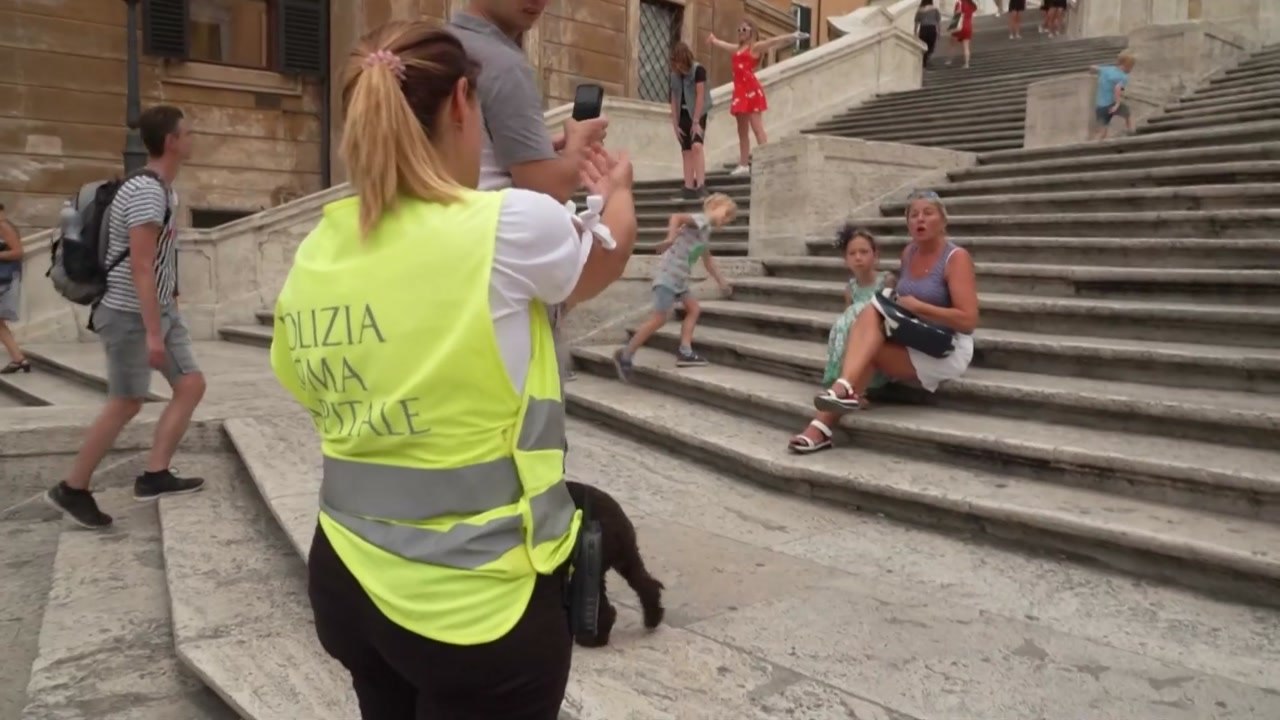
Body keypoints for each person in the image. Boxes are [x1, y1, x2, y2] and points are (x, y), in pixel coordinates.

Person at [270, 22, 636, 719]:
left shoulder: (319, 244)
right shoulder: (507, 226)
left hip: (345, 578)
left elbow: (299, 377)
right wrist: (616, 188)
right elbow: (602, 260)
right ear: (464, 103)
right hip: (475, 607)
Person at [44, 106, 205, 529]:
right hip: (129, 312)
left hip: (158, 309)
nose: (193, 139)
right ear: (171, 141)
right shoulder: (147, 192)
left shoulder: (162, 189)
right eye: (188, 133)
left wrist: (170, 303)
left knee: (190, 384)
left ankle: (155, 475)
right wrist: (153, 333)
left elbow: (159, 260)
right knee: (127, 401)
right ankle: (72, 488)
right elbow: (140, 265)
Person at [450, 0, 612, 384]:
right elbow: (546, 187)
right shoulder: (503, 64)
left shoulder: (432, 46)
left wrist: (538, 152)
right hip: (499, 265)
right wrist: (582, 155)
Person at [799, 192, 978, 442]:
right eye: (913, 215)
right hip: (914, 334)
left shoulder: (956, 258)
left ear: (943, 221)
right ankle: (832, 409)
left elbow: (968, 321)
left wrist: (920, 307)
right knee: (871, 314)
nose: (920, 219)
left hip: (946, 347)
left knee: (870, 322)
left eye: (928, 213)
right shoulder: (909, 253)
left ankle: (830, 408)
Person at [789, 226, 895, 453]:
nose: (858, 257)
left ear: (875, 255)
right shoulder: (850, 287)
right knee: (845, 325)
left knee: (859, 322)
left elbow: (889, 312)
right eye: (852, 253)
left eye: (864, 252)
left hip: (877, 336)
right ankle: (845, 386)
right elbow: (848, 315)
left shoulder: (886, 280)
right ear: (845, 259)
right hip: (856, 335)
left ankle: (858, 390)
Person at [612, 193, 736, 379]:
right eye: (726, 214)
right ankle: (625, 354)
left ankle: (685, 351)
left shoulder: (705, 230)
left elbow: (707, 259)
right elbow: (676, 217)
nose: (725, 221)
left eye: (729, 220)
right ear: (715, 206)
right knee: (659, 319)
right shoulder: (700, 219)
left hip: (679, 280)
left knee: (693, 309)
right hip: (669, 277)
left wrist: (722, 282)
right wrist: (670, 238)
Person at [708, 22, 807, 177]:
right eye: (739, 29)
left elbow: (773, 42)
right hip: (740, 92)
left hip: (751, 90)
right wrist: (714, 40)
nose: (741, 32)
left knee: (757, 128)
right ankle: (743, 164)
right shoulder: (737, 49)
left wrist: (793, 36)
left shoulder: (754, 47)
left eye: (744, 29)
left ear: (751, 32)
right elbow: (724, 45)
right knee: (742, 130)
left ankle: (767, 161)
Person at [669, 41, 712, 199]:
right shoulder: (674, 76)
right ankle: (688, 186)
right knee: (686, 150)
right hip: (683, 114)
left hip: (698, 113)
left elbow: (700, 95)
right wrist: (675, 124)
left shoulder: (698, 70)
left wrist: (696, 121)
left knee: (697, 146)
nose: (678, 66)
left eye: (680, 62)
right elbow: (674, 100)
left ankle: (701, 185)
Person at [0, 202, 28, 374]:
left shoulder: (4, 226)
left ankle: (19, 359)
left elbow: (18, 251)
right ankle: (19, 359)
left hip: (5, 279)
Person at [1091, 52, 1136, 141]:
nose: (1131, 69)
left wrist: (1091, 70)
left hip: (1100, 107)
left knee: (1103, 132)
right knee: (1128, 114)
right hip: (1112, 104)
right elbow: (1117, 89)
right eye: (1131, 67)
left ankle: (1093, 144)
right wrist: (1117, 104)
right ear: (1127, 66)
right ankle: (1131, 132)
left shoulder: (1107, 69)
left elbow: (1094, 68)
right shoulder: (1123, 77)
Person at [947, 0, 979, 69]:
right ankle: (966, 64)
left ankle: (949, 60)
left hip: (959, 25)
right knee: (966, 47)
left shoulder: (959, 3)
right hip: (968, 26)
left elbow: (956, 14)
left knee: (952, 44)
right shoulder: (971, 4)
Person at [915, 0, 943, 68]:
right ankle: (927, 59)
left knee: (924, 46)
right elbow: (938, 22)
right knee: (931, 46)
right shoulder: (935, 9)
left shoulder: (920, 10)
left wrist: (915, 32)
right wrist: (939, 32)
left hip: (923, 29)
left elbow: (916, 23)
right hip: (932, 29)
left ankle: (924, 61)